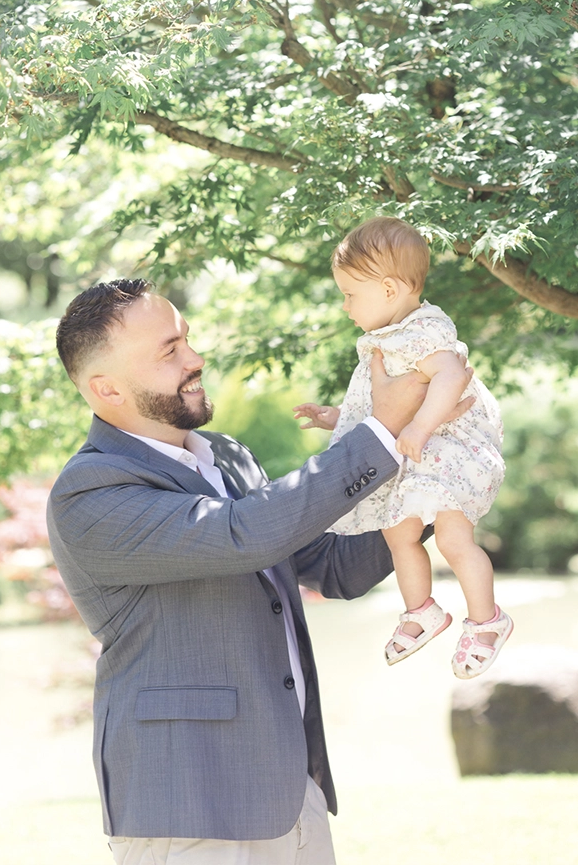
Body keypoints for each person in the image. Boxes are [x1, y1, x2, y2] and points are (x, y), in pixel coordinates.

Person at [47, 278, 473, 865]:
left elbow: (334, 566)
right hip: (188, 806)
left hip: (292, 791)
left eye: (187, 339)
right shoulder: (90, 491)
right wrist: (379, 430)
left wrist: (442, 481)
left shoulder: (228, 457)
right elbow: (242, 534)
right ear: (106, 388)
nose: (195, 359)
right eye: (169, 351)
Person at [294, 216, 513, 680]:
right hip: (422, 454)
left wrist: (420, 427)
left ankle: (487, 621)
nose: (345, 306)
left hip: (452, 451)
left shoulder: (423, 331)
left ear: (390, 290)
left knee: (453, 538)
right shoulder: (389, 338)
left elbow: (452, 377)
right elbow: (384, 403)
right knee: (398, 533)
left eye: (350, 294)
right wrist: (336, 416)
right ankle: (421, 610)